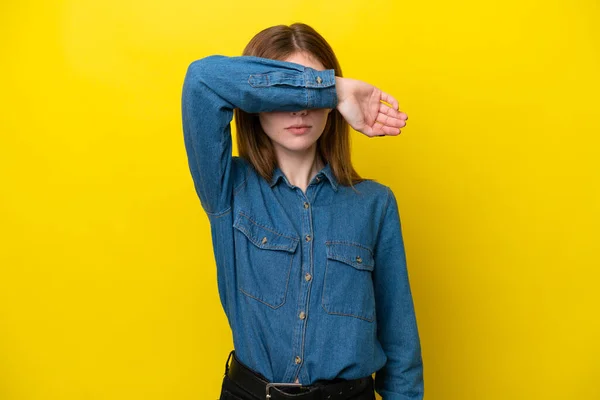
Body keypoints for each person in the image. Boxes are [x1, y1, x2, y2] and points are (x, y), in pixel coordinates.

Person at [181, 22, 423, 400]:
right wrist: (329, 87)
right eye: (286, 91)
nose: (301, 107)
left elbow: (400, 345)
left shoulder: (375, 204)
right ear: (255, 105)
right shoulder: (229, 188)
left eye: (312, 93)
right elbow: (202, 81)